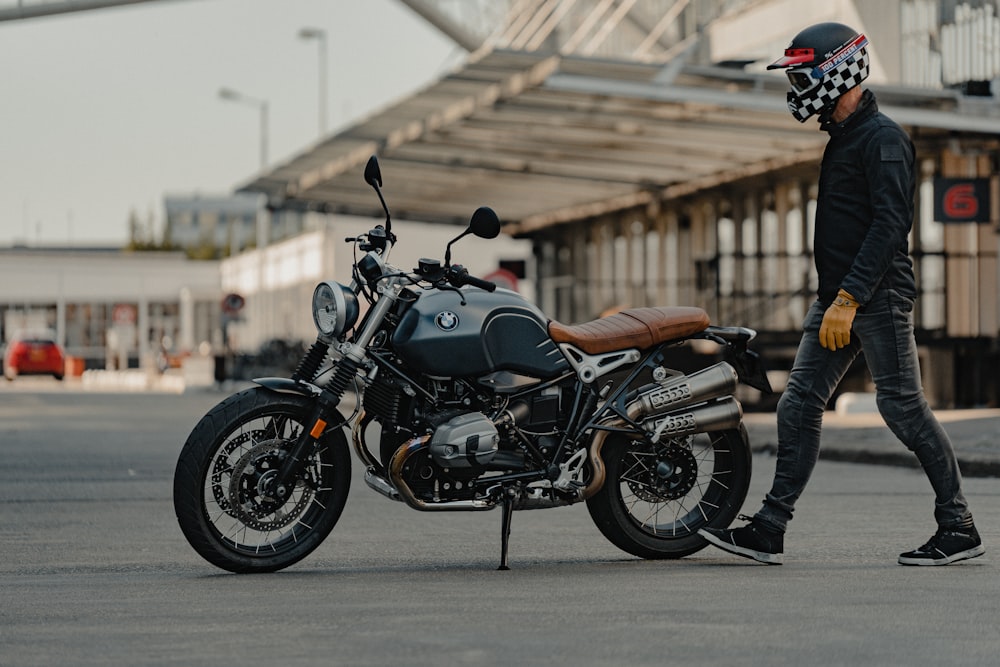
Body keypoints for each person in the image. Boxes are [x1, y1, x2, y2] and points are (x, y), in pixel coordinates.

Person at [699, 22, 984, 566]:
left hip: (874, 299)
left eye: (803, 75)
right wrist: (838, 299)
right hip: (838, 300)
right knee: (799, 405)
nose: (797, 88)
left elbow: (889, 226)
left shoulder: (884, 139)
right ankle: (770, 528)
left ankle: (959, 526)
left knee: (902, 409)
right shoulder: (845, 138)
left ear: (838, 72)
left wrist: (851, 297)